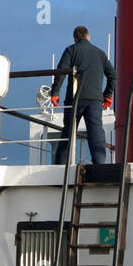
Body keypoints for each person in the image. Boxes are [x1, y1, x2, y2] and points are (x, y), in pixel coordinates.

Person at [50, 25, 116, 165]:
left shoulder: (71, 50)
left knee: (68, 132)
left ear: (75, 38)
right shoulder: (100, 54)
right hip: (95, 101)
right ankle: (99, 164)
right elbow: (113, 76)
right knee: (96, 132)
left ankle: (60, 165)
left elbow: (61, 72)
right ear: (88, 37)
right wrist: (108, 95)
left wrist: (55, 92)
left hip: (75, 99)